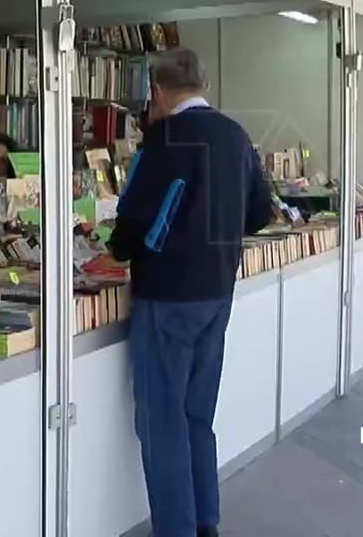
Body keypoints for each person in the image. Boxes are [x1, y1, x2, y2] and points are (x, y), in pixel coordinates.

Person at [109, 47, 273, 537]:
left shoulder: (164, 141)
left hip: (167, 296)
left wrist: (118, 249)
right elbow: (261, 212)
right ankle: (206, 522)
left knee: (162, 425)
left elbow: (130, 226)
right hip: (217, 291)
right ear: (202, 85)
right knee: (198, 415)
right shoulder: (236, 136)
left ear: (156, 91)